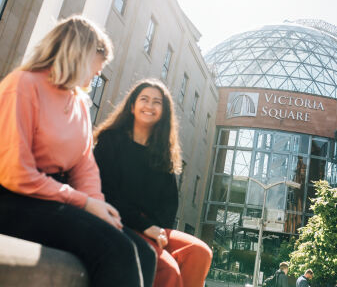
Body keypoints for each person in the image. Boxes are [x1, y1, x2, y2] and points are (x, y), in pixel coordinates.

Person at [0, 15, 156, 287]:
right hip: (14, 198)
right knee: (115, 250)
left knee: (145, 253)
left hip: (54, 198)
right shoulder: (22, 85)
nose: (99, 72)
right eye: (100, 62)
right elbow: (15, 173)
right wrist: (83, 203)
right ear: (81, 53)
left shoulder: (80, 103)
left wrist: (98, 206)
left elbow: (85, 166)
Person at [93, 79, 213, 287]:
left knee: (200, 252)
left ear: (164, 112)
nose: (149, 106)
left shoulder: (163, 152)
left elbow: (169, 205)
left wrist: (156, 231)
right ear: (132, 106)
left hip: (153, 228)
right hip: (118, 222)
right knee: (167, 268)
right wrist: (145, 226)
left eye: (157, 102)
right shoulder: (111, 141)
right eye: (144, 99)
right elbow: (104, 192)